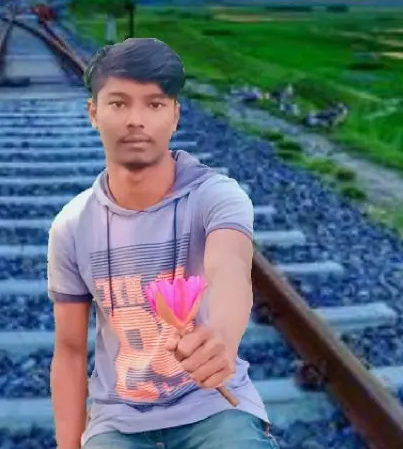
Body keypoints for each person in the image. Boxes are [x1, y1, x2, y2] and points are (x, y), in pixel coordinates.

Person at [47, 37, 278, 449]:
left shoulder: (216, 196)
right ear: (93, 114)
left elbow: (231, 267)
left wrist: (221, 335)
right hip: (117, 420)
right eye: (119, 104)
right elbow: (68, 351)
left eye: (153, 105)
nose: (136, 120)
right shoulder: (71, 225)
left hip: (213, 405)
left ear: (175, 116)